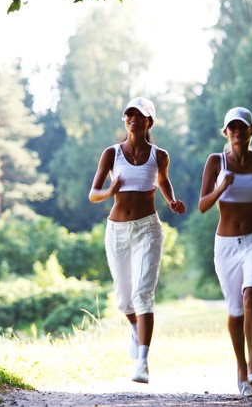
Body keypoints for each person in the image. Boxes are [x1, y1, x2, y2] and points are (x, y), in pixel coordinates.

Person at [89, 96, 186, 384]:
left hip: (147, 228)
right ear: (126, 120)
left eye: (139, 115)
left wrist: (171, 200)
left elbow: (163, 180)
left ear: (149, 122)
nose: (133, 118)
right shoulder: (111, 154)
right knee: (124, 300)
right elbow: (93, 194)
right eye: (129, 114)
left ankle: (142, 362)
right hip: (116, 230)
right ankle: (135, 330)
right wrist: (110, 190)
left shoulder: (160, 155)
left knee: (143, 294)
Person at [198, 107, 252, 397]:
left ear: (251, 130)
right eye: (232, 127)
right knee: (236, 312)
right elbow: (202, 205)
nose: (237, 131)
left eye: (242, 126)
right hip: (225, 246)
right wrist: (221, 186)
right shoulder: (216, 162)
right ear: (225, 132)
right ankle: (240, 370)